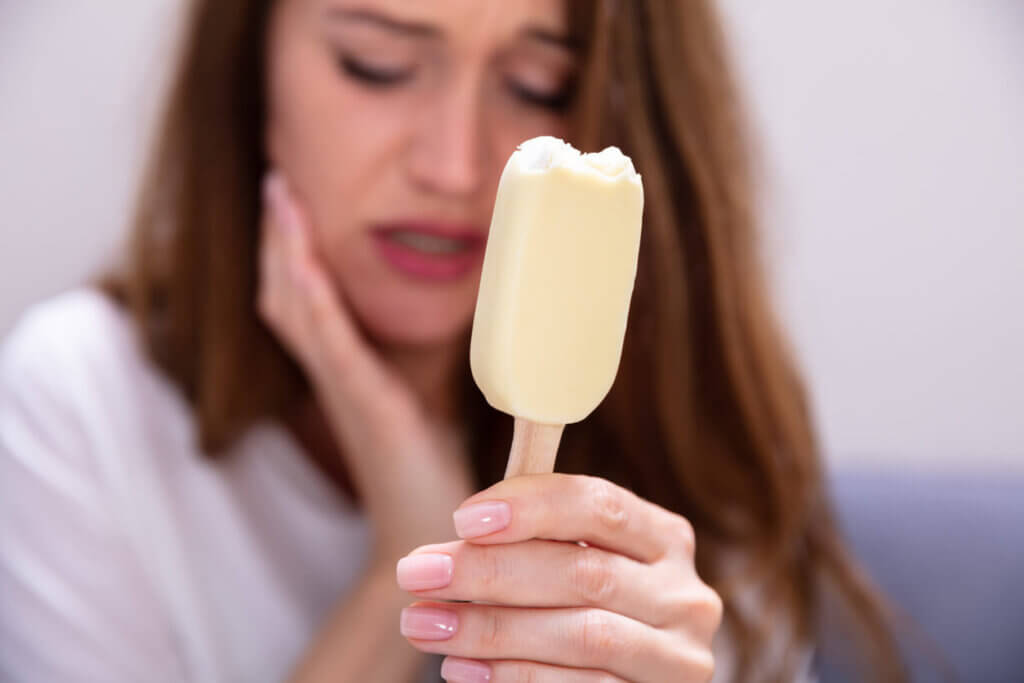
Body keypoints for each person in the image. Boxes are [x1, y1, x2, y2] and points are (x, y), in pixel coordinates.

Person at [0, 1, 906, 681]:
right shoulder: (82, 405)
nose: (455, 165)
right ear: (248, 72)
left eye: (537, 84)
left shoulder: (687, 438)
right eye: (378, 64)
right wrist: (403, 564)